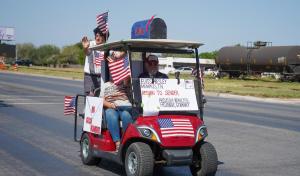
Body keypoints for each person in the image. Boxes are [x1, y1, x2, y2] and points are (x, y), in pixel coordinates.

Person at [103, 79, 132, 152]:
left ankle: (125, 140)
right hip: (111, 106)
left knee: (126, 115)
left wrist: (126, 82)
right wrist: (110, 105)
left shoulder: (125, 82)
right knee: (111, 115)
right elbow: (102, 100)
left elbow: (131, 93)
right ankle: (118, 143)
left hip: (124, 106)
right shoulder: (106, 84)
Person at [82, 27, 109, 96]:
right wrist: (85, 48)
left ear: (105, 38)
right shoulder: (91, 44)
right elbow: (87, 52)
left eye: (100, 36)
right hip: (90, 76)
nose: (97, 38)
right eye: (96, 36)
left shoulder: (107, 47)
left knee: (100, 98)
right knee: (89, 98)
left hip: (101, 77)